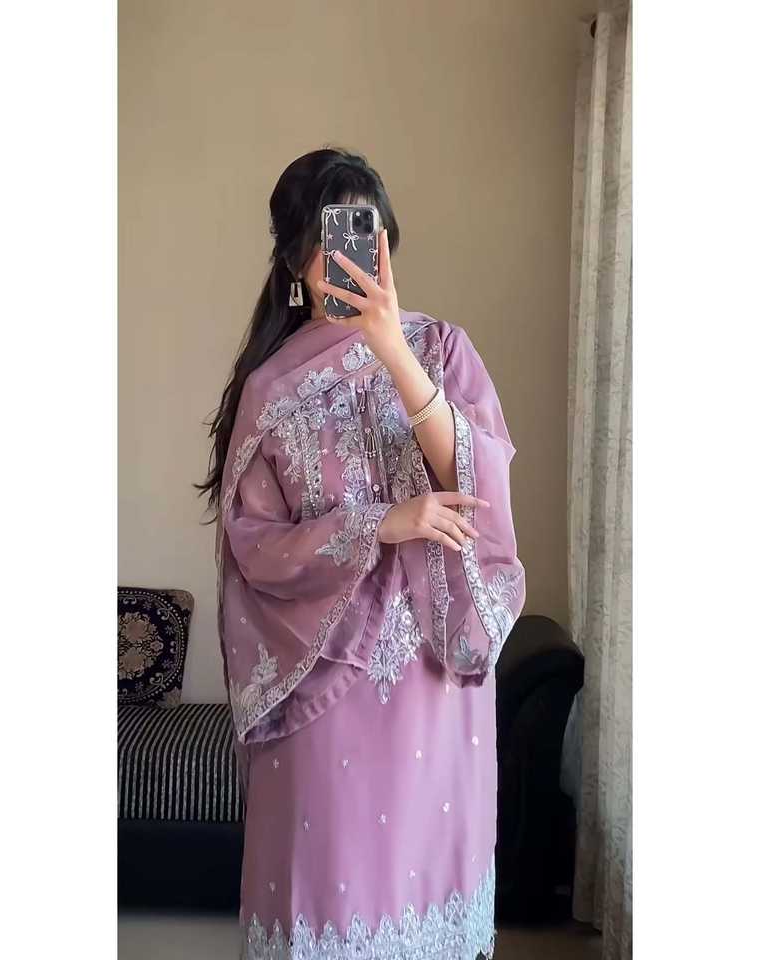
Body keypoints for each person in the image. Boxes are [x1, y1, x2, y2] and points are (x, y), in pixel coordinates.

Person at [197, 147, 526, 960]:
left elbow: (479, 481)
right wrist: (381, 522)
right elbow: (256, 547)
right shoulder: (270, 390)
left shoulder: (441, 349)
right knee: (327, 905)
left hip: (430, 675)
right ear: (293, 260)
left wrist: (391, 348)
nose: (348, 255)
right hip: (321, 686)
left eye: (363, 231)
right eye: (327, 236)